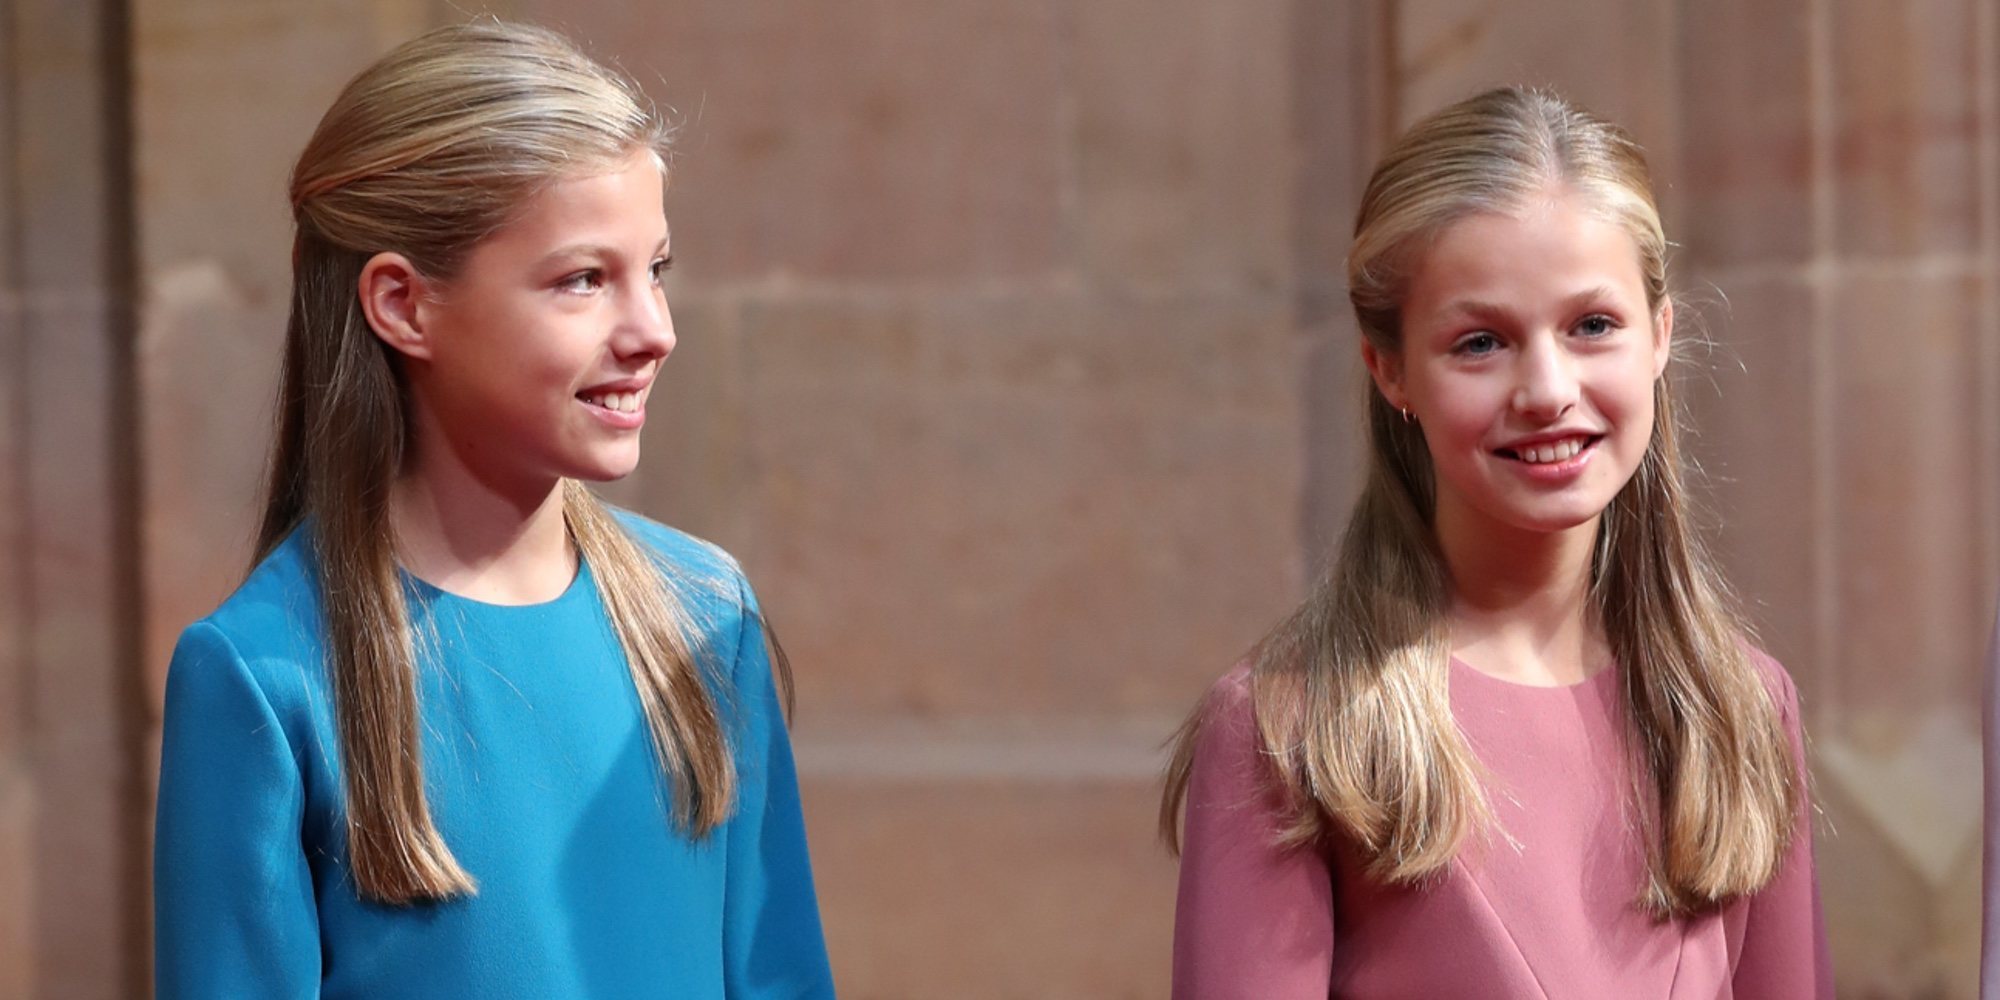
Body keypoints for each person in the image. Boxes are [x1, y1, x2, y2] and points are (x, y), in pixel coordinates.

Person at [153, 21, 835, 998]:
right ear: (403, 305)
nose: (655, 331)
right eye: (583, 280)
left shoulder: (701, 616)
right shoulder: (264, 675)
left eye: (657, 270)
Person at [1160, 87, 1830, 998]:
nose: (1547, 389)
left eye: (1593, 326)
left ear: (1660, 335)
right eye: (1481, 342)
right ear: (1390, 369)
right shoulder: (1289, 733)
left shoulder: (1743, 711)